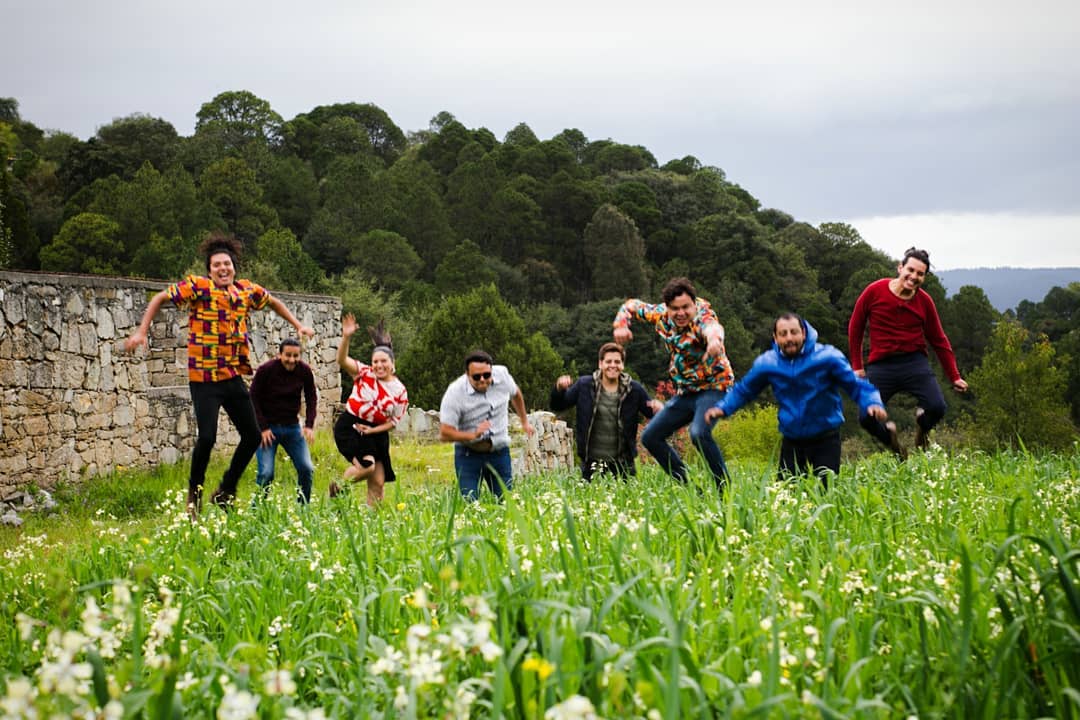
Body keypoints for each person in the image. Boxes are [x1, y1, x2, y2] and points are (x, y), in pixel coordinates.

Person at [123, 232, 314, 516]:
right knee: (208, 437)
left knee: (252, 435)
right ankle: (195, 494)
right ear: (209, 270)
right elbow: (160, 298)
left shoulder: (246, 291)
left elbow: (273, 302)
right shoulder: (198, 287)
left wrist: (298, 325)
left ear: (234, 266)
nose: (223, 269)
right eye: (216, 265)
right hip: (204, 380)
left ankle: (226, 490)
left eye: (227, 264)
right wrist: (141, 331)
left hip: (231, 376)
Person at [705, 313, 887, 487]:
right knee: (786, 494)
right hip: (792, 439)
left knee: (825, 492)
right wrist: (723, 408)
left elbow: (855, 385)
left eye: (794, 332)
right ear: (775, 338)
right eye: (783, 334)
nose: (789, 338)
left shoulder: (827, 358)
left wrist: (872, 402)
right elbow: (745, 390)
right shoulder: (768, 363)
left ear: (804, 333)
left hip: (826, 437)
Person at [612, 277, 734, 489]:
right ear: (667, 308)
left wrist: (715, 342)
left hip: (715, 387)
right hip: (686, 392)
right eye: (675, 308)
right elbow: (630, 306)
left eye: (686, 307)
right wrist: (621, 324)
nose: (681, 313)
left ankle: (725, 491)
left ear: (693, 304)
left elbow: (713, 328)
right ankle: (691, 488)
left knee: (698, 433)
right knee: (651, 437)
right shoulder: (659, 314)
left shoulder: (703, 317)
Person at [848, 247, 968, 455]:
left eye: (920, 274)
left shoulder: (925, 302)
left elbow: (939, 339)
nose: (913, 277)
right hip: (881, 365)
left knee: (937, 407)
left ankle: (923, 428)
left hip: (914, 363)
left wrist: (954, 376)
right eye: (910, 270)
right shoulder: (874, 291)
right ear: (900, 267)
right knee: (865, 417)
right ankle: (893, 443)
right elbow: (855, 327)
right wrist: (857, 366)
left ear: (924, 277)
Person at [550, 342, 662, 480]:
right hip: (591, 462)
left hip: (623, 463)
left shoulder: (634, 389)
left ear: (622, 365)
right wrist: (559, 389)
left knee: (625, 500)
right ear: (600, 363)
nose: (613, 365)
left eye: (617, 361)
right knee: (589, 500)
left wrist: (659, 408)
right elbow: (558, 406)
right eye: (608, 361)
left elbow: (651, 412)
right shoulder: (584, 385)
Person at [332, 314, 408, 506]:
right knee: (366, 467)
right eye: (376, 362)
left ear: (393, 364)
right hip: (352, 426)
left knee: (378, 482)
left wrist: (373, 431)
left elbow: (393, 422)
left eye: (384, 361)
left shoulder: (400, 391)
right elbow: (341, 360)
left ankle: (370, 522)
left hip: (376, 432)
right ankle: (338, 489)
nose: (379, 365)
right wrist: (346, 337)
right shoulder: (364, 373)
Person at [439, 350, 535, 500]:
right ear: (467, 374)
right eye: (476, 377)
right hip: (468, 454)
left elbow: (516, 394)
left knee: (506, 502)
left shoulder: (502, 375)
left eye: (487, 375)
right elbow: (445, 433)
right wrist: (472, 435)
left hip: (499, 452)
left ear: (491, 370)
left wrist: (524, 421)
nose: (482, 379)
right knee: (470, 504)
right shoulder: (455, 392)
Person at [250, 338, 318, 504]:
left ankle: (303, 509)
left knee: (306, 468)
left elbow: (311, 397)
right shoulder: (266, 370)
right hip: (267, 430)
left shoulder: (304, 371)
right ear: (279, 354)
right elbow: (253, 398)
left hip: (292, 428)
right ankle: (256, 512)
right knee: (266, 473)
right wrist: (263, 428)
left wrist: (309, 425)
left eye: (296, 356)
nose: (292, 360)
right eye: (288, 355)